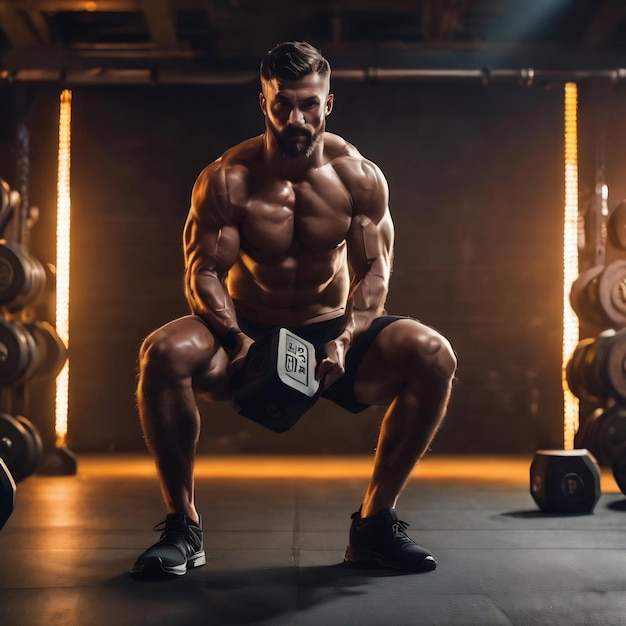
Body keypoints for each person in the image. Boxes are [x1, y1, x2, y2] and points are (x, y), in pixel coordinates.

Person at [131, 41, 457, 579]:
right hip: (245, 328)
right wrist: (237, 342)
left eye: (309, 104)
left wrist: (346, 337)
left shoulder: (358, 177)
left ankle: (375, 525)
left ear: (329, 104)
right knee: (162, 353)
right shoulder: (227, 179)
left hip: (331, 329)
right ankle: (183, 527)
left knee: (433, 354)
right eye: (282, 104)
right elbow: (204, 272)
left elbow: (375, 271)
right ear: (264, 102)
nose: (296, 117)